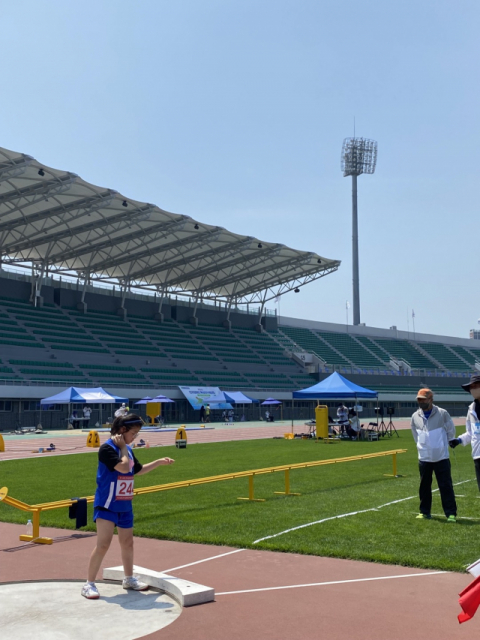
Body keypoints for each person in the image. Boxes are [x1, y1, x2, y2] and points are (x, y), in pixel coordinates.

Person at [81, 413, 175, 599]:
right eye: (133, 433)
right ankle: (89, 583)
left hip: (124, 504)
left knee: (128, 543)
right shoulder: (107, 449)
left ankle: (129, 578)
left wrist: (158, 462)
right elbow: (124, 468)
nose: (135, 438)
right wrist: (123, 448)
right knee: (103, 544)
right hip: (107, 504)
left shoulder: (128, 450)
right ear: (122, 430)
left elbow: (136, 470)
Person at [410, 388, 457, 522]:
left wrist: (443, 445)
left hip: (441, 457)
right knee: (424, 486)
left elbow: (451, 431)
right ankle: (424, 512)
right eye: (419, 400)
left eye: (423, 399)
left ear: (431, 399)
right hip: (424, 458)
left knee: (445, 485)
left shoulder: (442, 413)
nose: (421, 402)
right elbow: (415, 435)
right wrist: (421, 446)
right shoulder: (415, 416)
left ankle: (451, 513)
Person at [449, 374, 480, 489]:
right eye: (471, 387)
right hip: (478, 455)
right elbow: (471, 433)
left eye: (476, 385)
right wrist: (458, 440)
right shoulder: (471, 409)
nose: (473, 389)